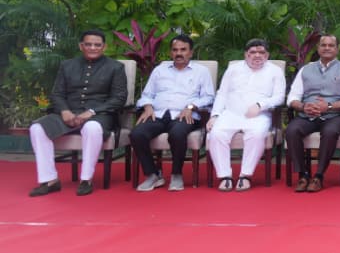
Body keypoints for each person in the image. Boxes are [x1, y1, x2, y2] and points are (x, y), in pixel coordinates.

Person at [28, 30, 127, 197]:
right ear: (81, 46)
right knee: (37, 128)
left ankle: (86, 179)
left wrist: (91, 112)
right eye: (88, 44)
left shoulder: (115, 67)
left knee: (92, 128)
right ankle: (49, 180)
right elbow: (57, 94)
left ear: (104, 47)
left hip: (99, 115)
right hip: (68, 113)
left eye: (97, 45)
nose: (93, 48)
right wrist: (64, 111)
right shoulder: (67, 65)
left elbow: (119, 98)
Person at [130, 34, 215, 192]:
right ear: (171, 52)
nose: (179, 53)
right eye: (175, 50)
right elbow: (147, 94)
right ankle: (153, 174)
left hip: (184, 115)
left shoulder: (201, 72)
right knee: (137, 134)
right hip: (158, 114)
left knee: (177, 133)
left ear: (191, 52)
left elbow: (209, 97)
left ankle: (176, 174)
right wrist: (147, 106)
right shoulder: (160, 70)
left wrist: (191, 106)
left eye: (183, 50)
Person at [206, 38, 286, 192]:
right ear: (246, 54)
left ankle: (245, 175)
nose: (257, 55)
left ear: (267, 55)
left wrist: (260, 105)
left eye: (261, 52)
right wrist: (215, 115)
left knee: (256, 134)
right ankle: (225, 176)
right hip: (230, 114)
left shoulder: (275, 71)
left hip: (259, 115)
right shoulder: (233, 69)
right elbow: (222, 94)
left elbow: (279, 97)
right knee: (216, 134)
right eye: (253, 52)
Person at [284, 34, 340, 193]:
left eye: (331, 45)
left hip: (335, 116)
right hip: (307, 114)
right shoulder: (305, 69)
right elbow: (292, 97)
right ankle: (303, 175)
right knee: (291, 130)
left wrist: (329, 106)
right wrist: (303, 106)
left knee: (330, 131)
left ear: (337, 49)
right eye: (323, 45)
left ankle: (318, 176)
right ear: (318, 48)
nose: (327, 48)